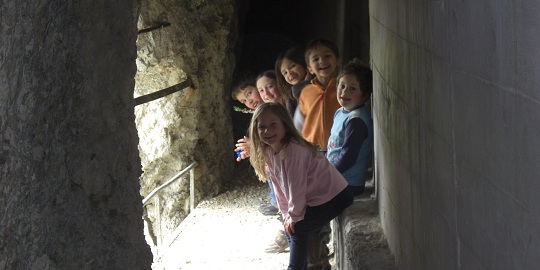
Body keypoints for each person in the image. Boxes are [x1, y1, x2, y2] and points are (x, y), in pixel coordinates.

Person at [248, 102, 354, 270]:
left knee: (297, 228)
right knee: (291, 227)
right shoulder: (269, 151)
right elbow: (280, 188)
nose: (268, 131)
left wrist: (294, 216)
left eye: (273, 125)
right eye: (262, 127)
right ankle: (309, 265)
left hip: (336, 196)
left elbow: (295, 188)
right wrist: (286, 215)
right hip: (315, 200)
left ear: (285, 124)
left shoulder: (294, 151)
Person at [326, 59, 373, 197]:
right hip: (336, 177)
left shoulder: (356, 121)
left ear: (364, 95)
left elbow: (348, 157)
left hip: (348, 183)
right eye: (342, 86)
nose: (344, 92)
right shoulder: (341, 112)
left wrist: (325, 175)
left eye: (352, 88)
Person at [298, 39, 342, 151]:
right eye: (316, 59)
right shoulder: (306, 92)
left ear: (338, 61)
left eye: (327, 56)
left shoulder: (344, 87)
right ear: (310, 69)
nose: (322, 61)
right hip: (313, 150)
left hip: (340, 147)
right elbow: (299, 123)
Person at [275, 47, 313, 132]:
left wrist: (305, 84)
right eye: (285, 73)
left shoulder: (317, 85)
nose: (290, 73)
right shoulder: (289, 97)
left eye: (292, 66)